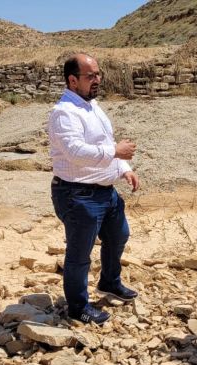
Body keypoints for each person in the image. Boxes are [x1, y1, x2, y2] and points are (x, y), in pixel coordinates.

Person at [48, 53, 140, 325]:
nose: (98, 80)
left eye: (98, 74)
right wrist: (116, 151)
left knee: (119, 235)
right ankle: (78, 307)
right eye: (91, 76)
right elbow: (76, 152)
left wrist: (124, 169)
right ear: (72, 80)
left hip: (105, 191)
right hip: (77, 195)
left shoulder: (93, 106)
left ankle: (109, 282)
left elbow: (105, 142)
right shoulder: (63, 113)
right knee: (79, 254)